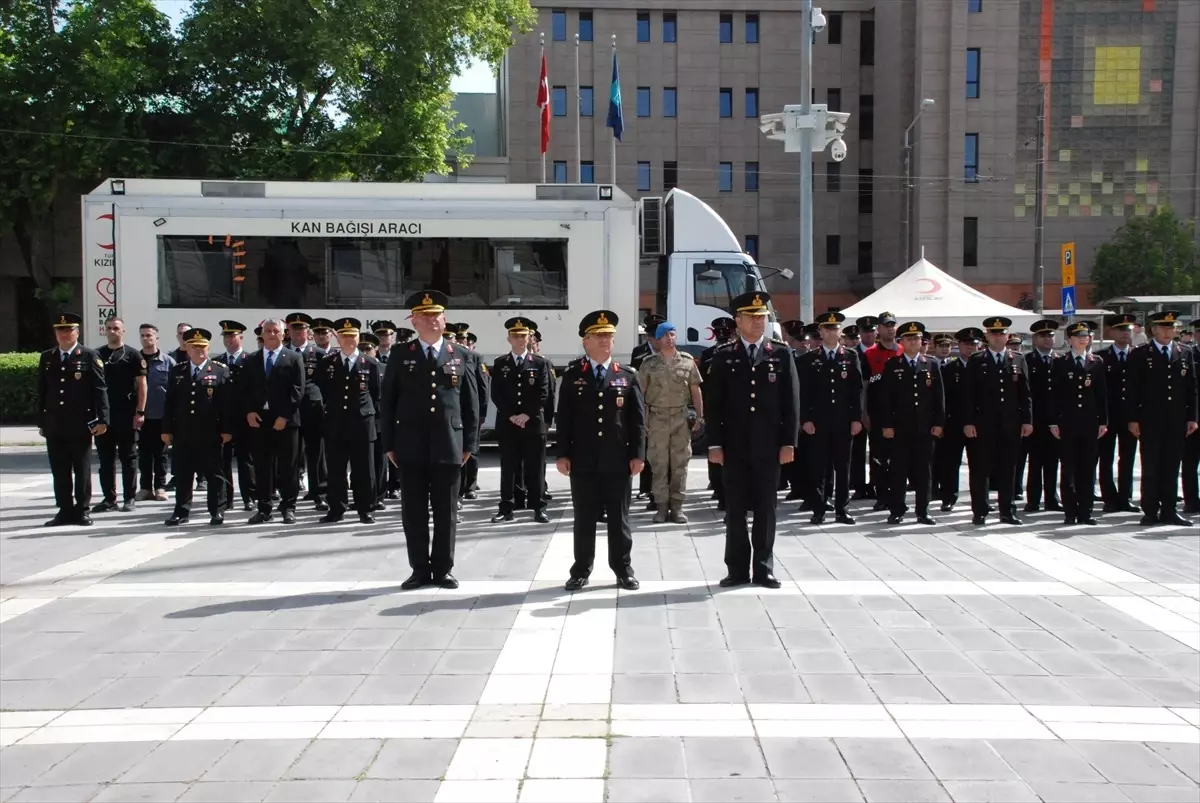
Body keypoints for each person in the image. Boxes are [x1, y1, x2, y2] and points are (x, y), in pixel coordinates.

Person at [381, 291, 480, 590]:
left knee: (446, 512)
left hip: (449, 443)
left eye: (436, 314)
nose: (430, 320)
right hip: (409, 444)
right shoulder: (401, 354)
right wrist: (389, 445)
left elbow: (470, 403)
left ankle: (443, 569)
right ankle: (419, 570)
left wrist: (470, 445)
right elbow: (388, 401)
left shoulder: (461, 355)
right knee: (413, 512)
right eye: (423, 315)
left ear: (444, 319)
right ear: (413, 321)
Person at [707, 292, 799, 589]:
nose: (758, 321)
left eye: (762, 316)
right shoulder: (724, 355)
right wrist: (714, 444)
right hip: (734, 448)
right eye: (751, 316)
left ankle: (763, 568)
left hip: (769, 446)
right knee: (734, 509)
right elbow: (715, 404)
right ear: (738, 321)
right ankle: (736, 569)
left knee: (766, 508)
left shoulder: (780, 354)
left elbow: (791, 403)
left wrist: (789, 442)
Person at [556, 310, 645, 591]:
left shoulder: (627, 376)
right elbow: (564, 418)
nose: (606, 340)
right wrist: (561, 453)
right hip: (583, 459)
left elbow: (637, 420)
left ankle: (623, 569)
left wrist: (638, 455)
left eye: (610, 336)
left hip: (617, 459)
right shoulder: (573, 375)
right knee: (584, 518)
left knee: (619, 518)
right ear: (586, 341)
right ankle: (581, 570)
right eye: (600, 336)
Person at [37, 313, 109, 527]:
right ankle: (65, 509)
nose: (64, 334)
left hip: (80, 422)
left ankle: (82, 509)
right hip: (54, 423)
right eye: (60, 330)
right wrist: (41, 420)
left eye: (68, 329)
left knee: (82, 468)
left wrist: (102, 418)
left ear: (77, 332)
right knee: (59, 469)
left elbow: (100, 389)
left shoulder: (88, 355)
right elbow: (42, 390)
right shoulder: (48, 356)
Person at [1127, 310, 1198, 527]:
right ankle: (1150, 510)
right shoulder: (1141, 354)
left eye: (1172, 327)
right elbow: (1132, 390)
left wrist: (1192, 417)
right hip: (1150, 419)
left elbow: (1191, 388)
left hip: (1176, 419)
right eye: (1164, 327)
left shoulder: (1184, 352)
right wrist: (1133, 419)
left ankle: (1169, 509)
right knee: (1151, 466)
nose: (1169, 331)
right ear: (1154, 329)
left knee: (1171, 465)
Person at [961, 317, 1033, 526]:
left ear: (1008, 336)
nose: (998, 337)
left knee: (1008, 469)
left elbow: (1025, 394)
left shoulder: (1018, 359)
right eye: (994, 333)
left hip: (1010, 424)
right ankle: (980, 511)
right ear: (987, 337)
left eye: (1002, 333)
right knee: (980, 469)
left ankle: (1007, 511)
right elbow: (968, 395)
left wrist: (1027, 420)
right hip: (983, 424)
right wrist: (968, 422)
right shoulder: (977, 360)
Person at [797, 311, 863, 525]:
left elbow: (857, 390)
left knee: (843, 467)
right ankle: (819, 508)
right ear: (821, 332)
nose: (832, 332)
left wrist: (856, 418)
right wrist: (805, 419)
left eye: (835, 329)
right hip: (818, 422)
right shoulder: (809, 359)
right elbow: (803, 393)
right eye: (827, 329)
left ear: (840, 331)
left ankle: (842, 509)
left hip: (843, 421)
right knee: (818, 467)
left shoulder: (851, 356)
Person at [162, 328, 232, 526]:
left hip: (210, 431)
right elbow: (170, 402)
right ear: (186, 348)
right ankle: (181, 511)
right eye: (194, 347)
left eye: (203, 347)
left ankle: (217, 511)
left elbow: (226, 403)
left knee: (214, 474)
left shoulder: (220, 370)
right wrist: (166, 429)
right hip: (184, 431)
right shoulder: (178, 370)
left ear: (208, 348)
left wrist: (227, 429)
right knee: (183, 473)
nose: (199, 351)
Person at [877, 321, 944, 525]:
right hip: (900, 427)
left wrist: (939, 422)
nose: (913, 342)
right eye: (909, 339)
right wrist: (886, 425)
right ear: (902, 342)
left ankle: (923, 510)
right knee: (899, 470)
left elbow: (939, 397)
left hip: (925, 427)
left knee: (924, 471)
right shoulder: (893, 365)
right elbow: (885, 399)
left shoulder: (931, 364)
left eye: (916, 338)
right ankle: (897, 509)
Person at [316, 318, 382, 524]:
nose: (348, 339)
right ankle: (337, 508)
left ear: (358, 337)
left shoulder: (370, 363)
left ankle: (366, 508)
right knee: (336, 470)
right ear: (338, 337)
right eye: (344, 336)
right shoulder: (328, 363)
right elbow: (323, 390)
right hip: (336, 422)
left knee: (364, 469)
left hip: (362, 423)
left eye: (352, 335)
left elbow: (376, 394)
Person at [639, 321, 704, 524]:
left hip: (679, 418)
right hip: (656, 418)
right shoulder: (648, 364)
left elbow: (695, 390)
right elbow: (641, 393)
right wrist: (641, 420)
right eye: (665, 335)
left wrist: (700, 416)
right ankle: (661, 506)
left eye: (673, 334)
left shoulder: (686, 361)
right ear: (658, 339)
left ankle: (677, 507)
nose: (670, 338)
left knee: (680, 464)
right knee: (659, 464)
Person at [242, 317, 305, 524]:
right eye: (268, 331)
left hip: (285, 421)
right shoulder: (251, 359)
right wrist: (250, 411)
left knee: (288, 466)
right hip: (260, 420)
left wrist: (284, 415)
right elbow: (245, 390)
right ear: (262, 334)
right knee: (262, 466)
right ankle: (264, 508)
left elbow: (298, 390)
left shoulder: (293, 358)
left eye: (276, 331)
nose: (271, 334)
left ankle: (288, 507)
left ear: (283, 333)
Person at [491, 317, 552, 523]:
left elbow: (544, 393)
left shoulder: (540, 363)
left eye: (523, 335)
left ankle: (539, 507)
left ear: (529, 337)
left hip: (533, 423)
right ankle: (506, 508)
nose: (520, 339)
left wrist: (527, 414)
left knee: (535, 467)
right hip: (508, 424)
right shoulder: (501, 363)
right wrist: (512, 415)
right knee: (508, 467)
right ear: (508, 338)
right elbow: (497, 394)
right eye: (515, 336)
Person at [1051, 321, 1107, 526]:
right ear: (1070, 340)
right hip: (1067, 423)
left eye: (1086, 336)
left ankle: (1086, 511)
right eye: (1079, 336)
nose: (1084, 339)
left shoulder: (1096, 361)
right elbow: (1054, 395)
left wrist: (1103, 421)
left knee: (1088, 468)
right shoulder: (1060, 362)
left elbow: (1102, 394)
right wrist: (1053, 422)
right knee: (1068, 469)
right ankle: (1069, 511)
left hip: (1090, 423)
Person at [93, 317, 147, 513]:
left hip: (126, 413)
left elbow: (142, 385)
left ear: (123, 331)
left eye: (116, 328)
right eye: (109, 328)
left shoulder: (132, 355)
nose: (112, 331)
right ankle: (109, 498)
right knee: (105, 459)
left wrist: (140, 411)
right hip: (104, 415)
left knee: (129, 457)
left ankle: (129, 498)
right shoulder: (97, 354)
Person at [1096, 313, 1140, 513]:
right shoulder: (1102, 357)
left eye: (1128, 330)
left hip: (1131, 417)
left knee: (1128, 458)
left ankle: (1125, 497)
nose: (1125, 334)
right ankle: (1109, 498)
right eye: (1121, 330)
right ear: (1111, 332)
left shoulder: (1139, 356)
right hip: (1108, 416)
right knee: (1105, 458)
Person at [934, 328, 981, 512]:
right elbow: (942, 399)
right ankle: (948, 497)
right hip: (954, 423)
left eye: (974, 344)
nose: (971, 348)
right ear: (959, 346)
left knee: (979, 465)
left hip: (978, 424)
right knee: (950, 463)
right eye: (967, 344)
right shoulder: (948, 368)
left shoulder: (984, 367)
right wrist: (941, 423)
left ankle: (980, 499)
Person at [212, 320, 257, 512]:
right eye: (226, 336)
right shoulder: (217, 361)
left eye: (233, 335)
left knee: (246, 460)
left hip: (244, 418)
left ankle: (249, 497)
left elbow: (256, 391)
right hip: (223, 419)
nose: (229, 339)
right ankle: (226, 499)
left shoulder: (251, 360)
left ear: (241, 337)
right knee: (223, 460)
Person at [286, 312, 329, 511]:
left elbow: (326, 382)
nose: (297, 332)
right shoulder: (283, 352)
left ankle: (319, 493)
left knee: (316, 453)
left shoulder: (318, 353)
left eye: (301, 328)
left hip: (313, 407)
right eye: (294, 328)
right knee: (291, 455)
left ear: (307, 332)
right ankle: (290, 494)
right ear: (289, 331)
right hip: (290, 409)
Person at [862, 311, 902, 511]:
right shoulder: (869, 354)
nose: (890, 328)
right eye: (886, 325)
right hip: (877, 413)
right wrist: (864, 413)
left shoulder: (903, 350)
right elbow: (864, 386)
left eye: (893, 325)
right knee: (878, 455)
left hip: (901, 414)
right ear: (878, 328)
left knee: (899, 456)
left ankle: (896, 494)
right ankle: (881, 494)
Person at [1023, 319, 1062, 512]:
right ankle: (1033, 499)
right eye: (1043, 335)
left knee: (1053, 461)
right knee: (1035, 461)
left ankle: (1052, 498)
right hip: (1035, 420)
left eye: (1050, 335)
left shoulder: (1060, 360)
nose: (1047, 339)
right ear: (1035, 338)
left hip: (1054, 420)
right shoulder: (1027, 360)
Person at [700, 316, 736, 510]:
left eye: (726, 334)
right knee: (714, 446)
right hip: (713, 406)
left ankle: (728, 494)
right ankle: (716, 485)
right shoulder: (707, 354)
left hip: (733, 409)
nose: (723, 338)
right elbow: (703, 381)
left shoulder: (736, 353)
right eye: (720, 335)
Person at [136, 323, 174, 501]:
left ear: (156, 338)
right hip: (140, 415)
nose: (146, 338)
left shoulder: (168, 362)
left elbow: (174, 390)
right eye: (143, 335)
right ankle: (145, 488)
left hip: (161, 415)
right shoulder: (134, 359)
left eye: (149, 335)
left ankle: (160, 486)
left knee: (161, 454)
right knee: (143, 453)